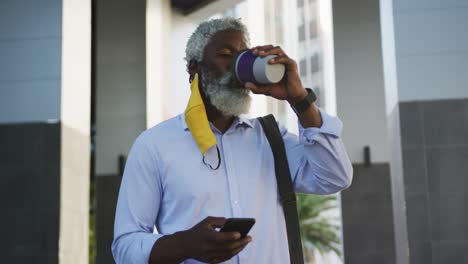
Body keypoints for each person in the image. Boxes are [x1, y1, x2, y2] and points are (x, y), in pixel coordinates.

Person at [112, 17, 353, 264]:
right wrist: (184, 245)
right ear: (194, 68)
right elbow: (125, 246)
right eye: (226, 54)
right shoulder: (154, 146)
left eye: (244, 56)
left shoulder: (271, 138)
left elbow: (335, 177)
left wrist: (299, 99)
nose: (237, 65)